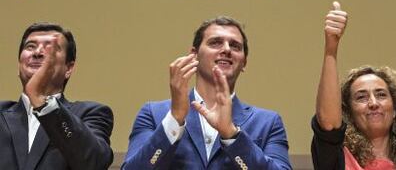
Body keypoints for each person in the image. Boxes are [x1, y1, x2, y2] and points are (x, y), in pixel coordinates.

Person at [123, 16, 292, 169]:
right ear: (194, 55)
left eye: (235, 46)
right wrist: (175, 119)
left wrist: (232, 135)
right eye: (215, 42)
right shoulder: (153, 113)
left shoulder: (268, 122)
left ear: (244, 62)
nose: (226, 49)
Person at [312, 2, 396, 169]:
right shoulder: (337, 159)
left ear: (395, 109)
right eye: (361, 97)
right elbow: (328, 125)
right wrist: (331, 50)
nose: (373, 103)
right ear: (349, 113)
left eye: (381, 94)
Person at [0, 22, 114, 170]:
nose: (37, 52)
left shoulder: (91, 114)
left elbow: (94, 163)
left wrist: (41, 101)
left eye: (50, 48)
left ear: (69, 68)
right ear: (19, 65)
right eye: (30, 47)